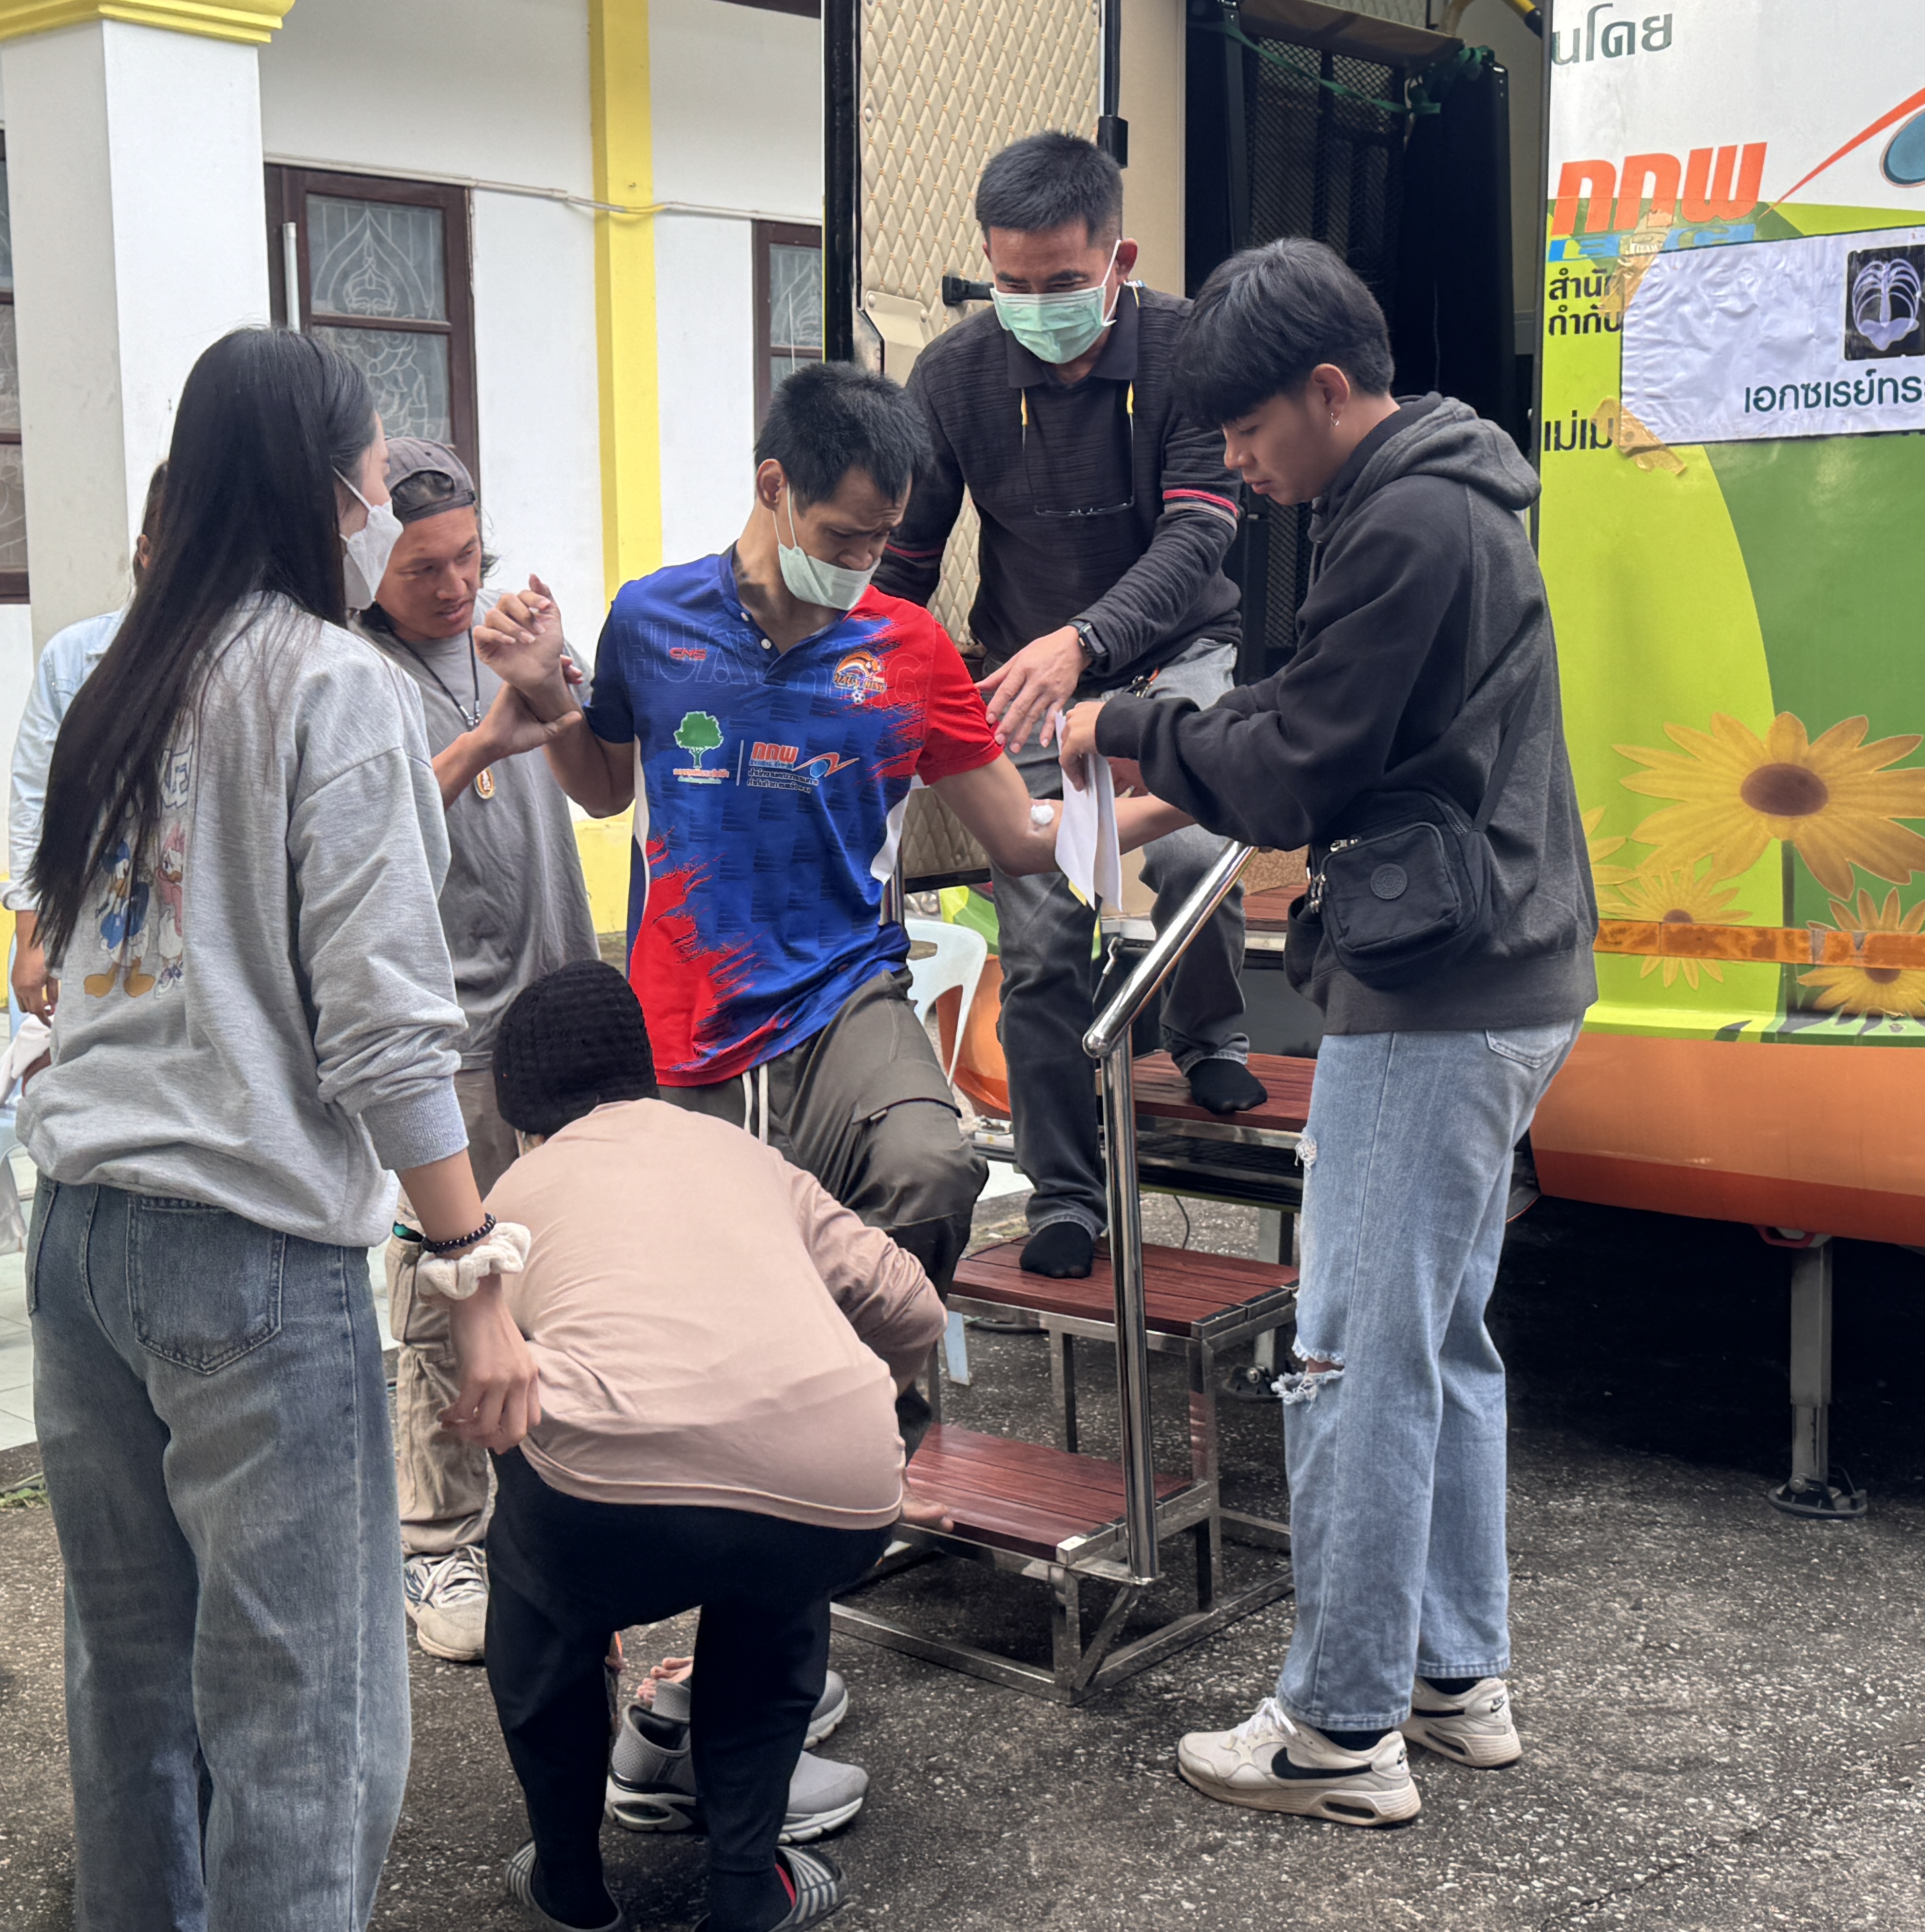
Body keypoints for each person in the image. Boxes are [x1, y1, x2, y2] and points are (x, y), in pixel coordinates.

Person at [1060, 239, 1595, 1826]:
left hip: (1439, 997)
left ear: (1324, 388)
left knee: (1348, 1350)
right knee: (1438, 1335)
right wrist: (1163, 770)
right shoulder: (1437, 491)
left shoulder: (1409, 519)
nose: (1236, 463)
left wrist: (1123, 724)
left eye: (1244, 430)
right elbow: (1315, 709)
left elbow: (1300, 760)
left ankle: (1339, 1727)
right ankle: (1451, 1675)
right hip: (1510, 972)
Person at [18, 326, 539, 1930]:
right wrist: (474, 1269)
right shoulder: (333, 682)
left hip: (82, 1239)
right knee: (310, 1728)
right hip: (246, 1258)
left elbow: (68, 961)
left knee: (131, 1690)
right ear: (323, 490)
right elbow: (385, 1025)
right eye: (375, 478)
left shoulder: (115, 678)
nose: (382, 511)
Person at [482, 361, 1138, 1304]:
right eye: (843, 534)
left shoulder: (909, 649)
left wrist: (1196, 791)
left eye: (883, 537)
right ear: (774, 486)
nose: (863, 559)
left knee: (930, 1169)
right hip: (687, 1013)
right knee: (705, 1278)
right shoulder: (651, 617)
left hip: (845, 994)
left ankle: (869, 1381)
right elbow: (603, 789)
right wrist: (547, 691)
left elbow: (1022, 833)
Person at [478, 960, 943, 1932]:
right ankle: (746, 1888)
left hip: (607, 1507)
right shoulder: (743, 1154)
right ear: (645, 1070)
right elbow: (910, 1306)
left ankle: (569, 1883)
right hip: (838, 1491)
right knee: (775, 1576)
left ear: (520, 1112)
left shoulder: (509, 1192)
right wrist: (867, 1414)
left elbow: (479, 1390)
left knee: (530, 1576)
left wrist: (571, 1584)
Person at [879, 132, 1260, 1282]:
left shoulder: (1191, 351)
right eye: (1011, 282)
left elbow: (1199, 535)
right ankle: (1065, 1193)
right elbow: (906, 559)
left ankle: (1210, 1032)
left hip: (1172, 653)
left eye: (1061, 281)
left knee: (1194, 855)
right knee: (1043, 942)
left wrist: (1087, 641)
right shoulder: (953, 378)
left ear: (1118, 261)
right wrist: (860, 683)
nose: (1035, 306)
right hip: (1029, 679)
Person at [359, 436, 596, 1665]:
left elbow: (603, 785)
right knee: (447, 1292)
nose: (455, 587)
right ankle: (438, 1539)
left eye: (469, 557)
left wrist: (553, 681)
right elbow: (374, 835)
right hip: (441, 1036)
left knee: (565, 1279)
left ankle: (557, 1514)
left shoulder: (505, 633)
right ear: (367, 565)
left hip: (558, 1010)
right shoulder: (350, 672)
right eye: (422, 569)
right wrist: (489, 741)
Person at [3, 462, 164, 1020]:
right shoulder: (74, 660)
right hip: (83, 926)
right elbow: (34, 798)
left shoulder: (230, 662)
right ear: (146, 553)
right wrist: (32, 937)